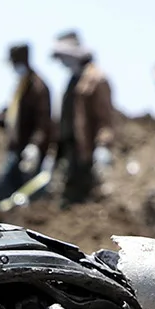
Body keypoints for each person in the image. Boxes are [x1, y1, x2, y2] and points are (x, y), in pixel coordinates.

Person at [51, 31, 117, 206]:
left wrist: (103, 146)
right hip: (71, 149)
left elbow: (105, 117)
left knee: (82, 196)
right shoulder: (73, 79)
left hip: (86, 150)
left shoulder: (96, 79)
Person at [0, 43, 54, 203]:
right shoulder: (21, 85)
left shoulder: (38, 87)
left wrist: (34, 146)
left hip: (29, 151)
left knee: (26, 190)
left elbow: (43, 122)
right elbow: (14, 113)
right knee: (6, 189)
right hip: (16, 148)